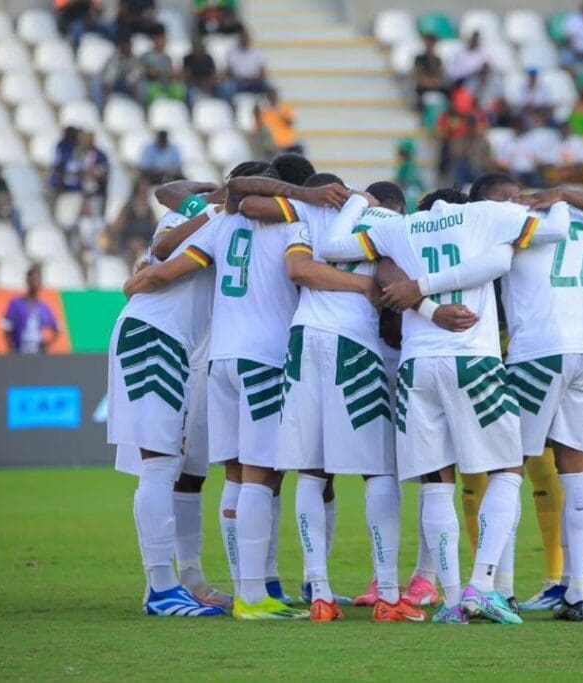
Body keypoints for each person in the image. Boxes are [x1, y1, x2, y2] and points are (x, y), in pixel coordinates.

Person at [321, 187, 574, 626]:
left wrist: (358, 202)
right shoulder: (486, 214)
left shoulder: (402, 227)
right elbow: (557, 230)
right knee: (508, 469)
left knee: (436, 484)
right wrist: (561, 198)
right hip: (472, 358)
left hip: (417, 365)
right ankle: (483, 585)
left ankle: (454, 601)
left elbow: (332, 247)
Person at [124, 162, 353, 620]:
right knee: (259, 477)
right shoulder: (298, 223)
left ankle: (249, 589)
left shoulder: (222, 224)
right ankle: (252, 595)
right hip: (264, 357)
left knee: (234, 476)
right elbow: (300, 271)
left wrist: (136, 282)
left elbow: (165, 256)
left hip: (221, 360)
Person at [237, 176, 431, 623]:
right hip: (353, 345)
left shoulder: (312, 217)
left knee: (311, 470)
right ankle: (388, 594)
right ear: (395, 207)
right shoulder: (387, 223)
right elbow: (393, 283)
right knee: (378, 470)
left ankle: (320, 594)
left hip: (303, 340)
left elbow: (296, 265)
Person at [461, 174, 583, 619]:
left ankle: (497, 588)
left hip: (537, 354)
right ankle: (578, 593)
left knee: (507, 470)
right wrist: (564, 195)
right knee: (577, 474)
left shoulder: (505, 224)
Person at [104, 187, 224, 618]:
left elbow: (162, 236)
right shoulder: (212, 219)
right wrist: (137, 281)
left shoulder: (202, 213)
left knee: (174, 465)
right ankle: (160, 587)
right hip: (153, 337)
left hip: (174, 342)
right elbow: (159, 262)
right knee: (159, 465)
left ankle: (179, 582)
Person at [1, 265, 60, 355]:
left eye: (37, 280)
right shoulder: (16, 304)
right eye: (32, 280)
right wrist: (11, 349)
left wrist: (47, 344)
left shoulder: (44, 307)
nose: (34, 283)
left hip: (37, 354)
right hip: (20, 352)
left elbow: (57, 328)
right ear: (27, 281)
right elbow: (6, 327)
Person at [107, 176, 159, 263]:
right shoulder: (129, 205)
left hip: (145, 238)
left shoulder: (149, 207)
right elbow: (118, 223)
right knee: (135, 246)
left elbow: (155, 224)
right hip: (130, 239)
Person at [219, 28, 270, 100]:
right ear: (239, 39)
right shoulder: (232, 53)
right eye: (242, 38)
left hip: (254, 82)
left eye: (246, 38)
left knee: (270, 87)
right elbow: (229, 71)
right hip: (237, 82)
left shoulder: (257, 53)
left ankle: (270, 106)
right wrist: (240, 78)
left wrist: (253, 79)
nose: (244, 40)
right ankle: (230, 105)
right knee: (227, 87)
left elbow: (262, 73)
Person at [140, 24, 185, 105]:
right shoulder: (147, 56)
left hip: (166, 84)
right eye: (161, 40)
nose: (163, 43)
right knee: (152, 91)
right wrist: (165, 72)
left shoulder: (167, 58)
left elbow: (171, 73)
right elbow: (150, 72)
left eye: (164, 40)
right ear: (155, 41)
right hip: (153, 85)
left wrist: (173, 74)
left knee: (179, 90)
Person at [95, 35, 143, 110]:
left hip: (128, 86)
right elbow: (109, 77)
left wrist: (128, 81)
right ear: (121, 47)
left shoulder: (135, 60)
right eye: (126, 46)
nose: (128, 48)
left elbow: (137, 73)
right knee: (98, 84)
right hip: (113, 85)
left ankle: (139, 109)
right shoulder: (114, 58)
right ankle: (103, 109)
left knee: (141, 86)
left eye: (129, 46)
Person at [539, 120, 583, 186]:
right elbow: (546, 160)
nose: (564, 130)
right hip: (557, 171)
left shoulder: (578, 141)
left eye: (566, 127)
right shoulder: (551, 141)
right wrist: (560, 170)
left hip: (573, 170)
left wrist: (569, 169)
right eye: (562, 127)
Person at [257, 89, 302, 155]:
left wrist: (279, 112)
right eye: (271, 96)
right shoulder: (264, 112)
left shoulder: (285, 108)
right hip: (272, 146)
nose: (273, 98)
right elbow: (260, 128)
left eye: (274, 96)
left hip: (288, 144)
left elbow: (290, 123)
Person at [413, 34, 448, 106]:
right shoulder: (419, 59)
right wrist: (431, 82)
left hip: (435, 87)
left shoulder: (437, 60)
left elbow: (440, 78)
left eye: (432, 43)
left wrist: (434, 82)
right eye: (428, 43)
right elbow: (418, 77)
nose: (430, 46)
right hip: (423, 88)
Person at [183, 38, 221, 102]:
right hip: (193, 84)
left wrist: (207, 83)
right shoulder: (188, 59)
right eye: (195, 47)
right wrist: (199, 83)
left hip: (208, 83)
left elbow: (213, 74)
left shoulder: (208, 59)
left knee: (221, 88)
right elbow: (186, 76)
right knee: (188, 90)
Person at [49, 127, 80, 197]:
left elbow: (78, 160)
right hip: (60, 177)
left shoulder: (77, 147)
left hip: (73, 181)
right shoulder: (61, 145)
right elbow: (57, 160)